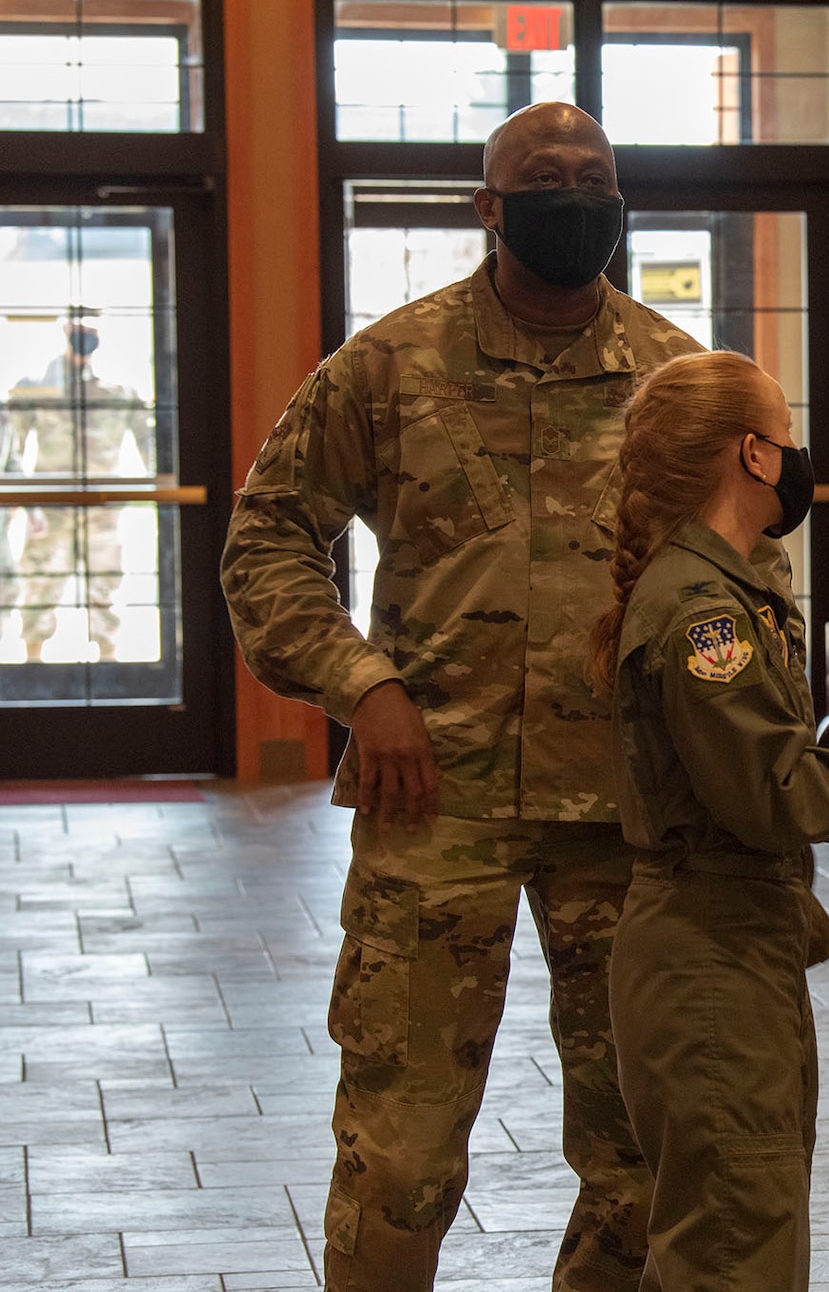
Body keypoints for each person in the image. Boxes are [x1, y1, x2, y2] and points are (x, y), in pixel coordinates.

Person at [221, 102, 701, 1292]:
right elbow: (268, 539)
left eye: (597, 175)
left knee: (642, 1138)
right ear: (490, 206)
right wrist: (359, 683)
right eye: (547, 177)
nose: (576, 193)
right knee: (401, 1141)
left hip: (631, 812)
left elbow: (739, 583)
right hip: (434, 791)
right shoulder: (390, 366)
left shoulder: (675, 376)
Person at [591, 349, 829, 1290]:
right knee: (735, 1249)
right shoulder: (699, 614)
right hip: (709, 958)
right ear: (754, 456)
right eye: (787, 430)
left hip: (740, 945)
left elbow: (755, 774)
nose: (800, 451)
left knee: (739, 1229)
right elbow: (773, 797)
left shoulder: (734, 584)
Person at [4, 318, 154, 661]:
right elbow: (11, 446)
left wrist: (162, 485)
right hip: (51, 503)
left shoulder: (118, 394)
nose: (86, 333)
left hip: (101, 507)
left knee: (105, 583)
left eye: (93, 326)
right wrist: (21, 500)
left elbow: (152, 443)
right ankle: (33, 661)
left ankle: (108, 659)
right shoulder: (37, 389)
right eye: (79, 325)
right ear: (65, 331)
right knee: (40, 581)